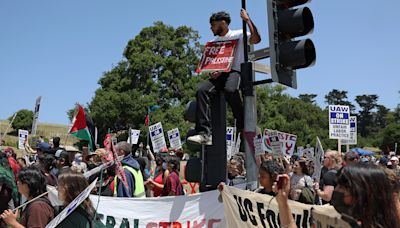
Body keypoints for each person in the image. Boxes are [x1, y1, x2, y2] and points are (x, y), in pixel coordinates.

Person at [187, 9, 261, 145]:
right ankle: (204, 133)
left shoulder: (238, 34)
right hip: (220, 75)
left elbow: (256, 39)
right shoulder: (213, 42)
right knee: (201, 90)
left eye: (213, 25)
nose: (211, 28)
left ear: (223, 23)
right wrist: (213, 71)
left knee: (231, 90)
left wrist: (247, 20)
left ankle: (242, 124)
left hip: (235, 71)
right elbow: (212, 63)